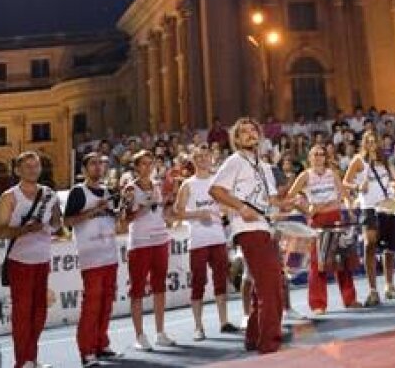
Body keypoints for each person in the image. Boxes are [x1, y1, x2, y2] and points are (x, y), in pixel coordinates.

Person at [210, 117, 297, 354]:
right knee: (271, 287)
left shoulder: (264, 166)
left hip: (263, 227)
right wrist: (240, 208)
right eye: (244, 132)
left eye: (253, 130)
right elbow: (216, 190)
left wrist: (285, 204)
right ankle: (270, 343)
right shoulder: (235, 161)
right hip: (248, 230)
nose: (250, 134)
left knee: (265, 286)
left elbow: (269, 201)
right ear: (236, 139)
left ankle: (254, 337)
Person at [0, 151, 62, 368]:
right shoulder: (9, 196)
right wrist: (25, 229)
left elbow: (56, 226)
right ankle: (22, 361)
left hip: (42, 259)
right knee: (23, 314)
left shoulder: (48, 193)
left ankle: (31, 357)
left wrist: (54, 216)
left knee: (39, 312)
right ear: (18, 170)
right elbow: (1, 232)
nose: (34, 170)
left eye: (37, 166)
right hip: (20, 261)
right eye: (28, 166)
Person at [286, 144, 360, 313]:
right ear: (310, 158)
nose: (319, 157)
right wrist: (306, 210)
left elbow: (344, 195)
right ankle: (318, 304)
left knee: (342, 261)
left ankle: (350, 299)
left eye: (321, 154)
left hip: (335, 218)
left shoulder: (332, 174)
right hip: (318, 221)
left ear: (325, 157)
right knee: (317, 264)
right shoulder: (305, 176)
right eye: (315, 154)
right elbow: (290, 197)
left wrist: (349, 209)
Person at [63, 152, 121, 367]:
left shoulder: (108, 191)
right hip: (91, 256)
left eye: (101, 164)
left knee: (106, 303)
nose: (98, 167)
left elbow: (115, 221)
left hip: (110, 254)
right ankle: (86, 351)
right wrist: (95, 209)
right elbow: (67, 221)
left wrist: (123, 209)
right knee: (92, 305)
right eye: (93, 164)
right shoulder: (78, 192)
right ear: (85, 168)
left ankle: (101, 344)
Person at [174, 145, 237, 340]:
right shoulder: (188, 185)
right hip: (198, 241)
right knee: (198, 283)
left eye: (205, 156)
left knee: (220, 280)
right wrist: (197, 214)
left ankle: (224, 321)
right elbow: (177, 211)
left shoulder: (218, 182)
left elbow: (227, 207)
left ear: (210, 158)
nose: (202, 159)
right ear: (193, 160)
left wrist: (226, 212)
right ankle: (198, 327)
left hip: (217, 237)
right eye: (198, 156)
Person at [118, 150, 177, 351]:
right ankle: (139, 335)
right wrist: (143, 207)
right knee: (137, 290)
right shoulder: (129, 189)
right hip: (140, 243)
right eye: (143, 164)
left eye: (150, 163)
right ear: (136, 167)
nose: (148, 167)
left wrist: (169, 205)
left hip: (160, 240)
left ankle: (160, 332)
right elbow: (123, 221)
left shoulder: (158, 186)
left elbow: (164, 213)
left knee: (160, 287)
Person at [343, 130, 395, 304]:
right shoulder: (358, 160)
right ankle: (372, 289)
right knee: (370, 244)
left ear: (378, 143)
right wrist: (357, 186)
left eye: (374, 141)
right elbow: (345, 182)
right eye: (368, 141)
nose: (371, 144)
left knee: (389, 247)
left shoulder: (384, 160)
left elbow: (393, 180)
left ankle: (389, 286)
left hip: (386, 206)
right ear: (364, 143)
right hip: (368, 207)